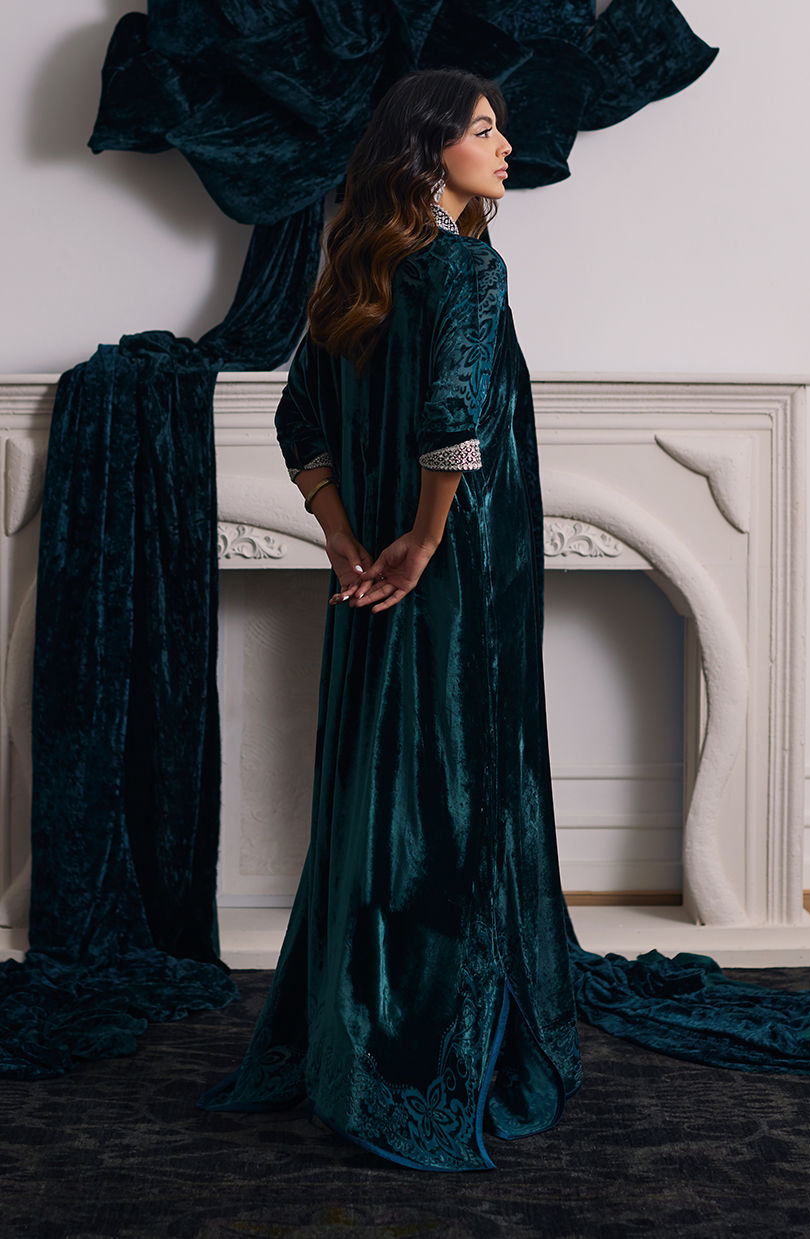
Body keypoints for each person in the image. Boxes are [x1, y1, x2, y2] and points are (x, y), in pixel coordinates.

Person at [197, 67, 582, 1172]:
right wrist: (420, 537)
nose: (504, 147)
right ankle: (445, 1045)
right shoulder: (467, 268)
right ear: (429, 148)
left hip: (374, 565)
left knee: (385, 782)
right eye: (484, 129)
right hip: (458, 568)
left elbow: (297, 420)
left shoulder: (356, 270)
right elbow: (454, 420)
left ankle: (353, 1028)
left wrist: (343, 538)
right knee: (463, 785)